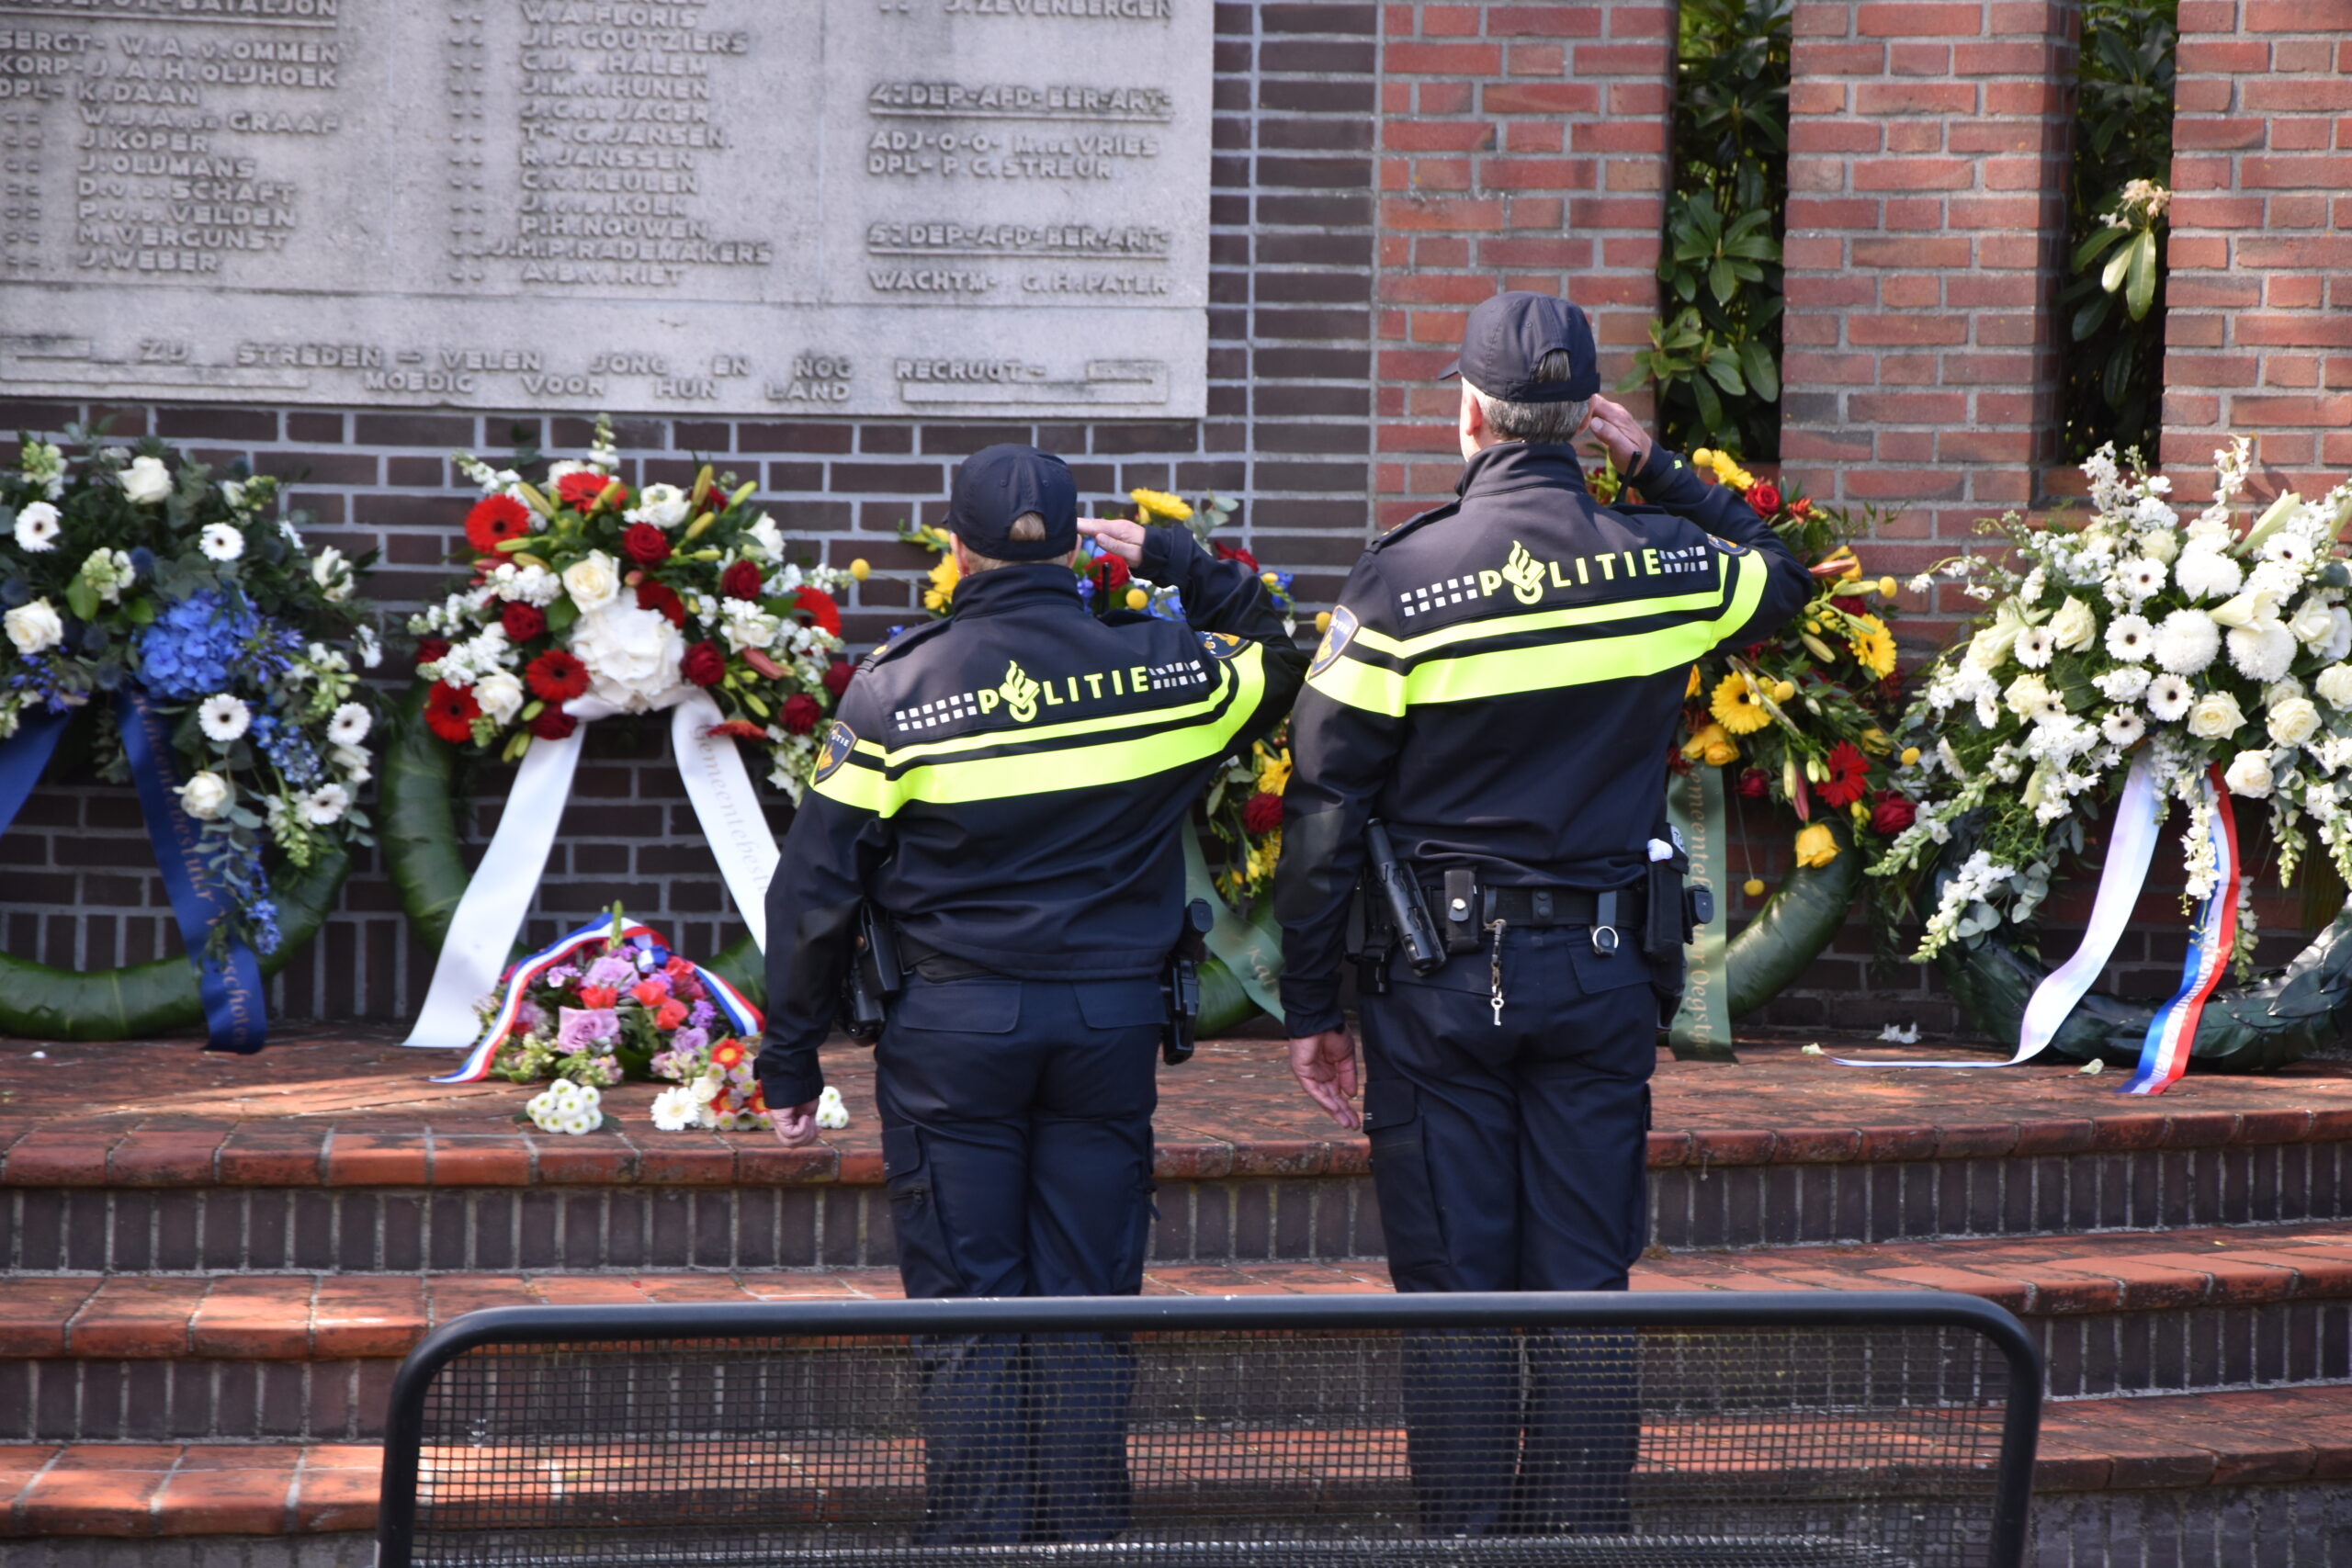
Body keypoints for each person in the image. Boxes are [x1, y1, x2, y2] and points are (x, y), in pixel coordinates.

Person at [1271, 291, 1812, 1535]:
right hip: (1605, 970)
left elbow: (1324, 811)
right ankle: (1574, 1543)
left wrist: (1310, 1007)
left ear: (1469, 414)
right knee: (1582, 1286)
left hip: (1437, 985)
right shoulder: (1667, 562)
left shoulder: (1401, 580)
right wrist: (1659, 469)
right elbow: (1782, 578)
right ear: (1584, 419)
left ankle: (1466, 1547)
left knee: (1455, 1292)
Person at [755, 443, 1306, 1544]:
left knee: (968, 1308)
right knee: (1088, 1303)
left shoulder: (897, 690)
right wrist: (1182, 561)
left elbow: (813, 889)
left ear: (957, 552)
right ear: (1075, 549)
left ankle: (977, 1543)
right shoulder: (1166, 670)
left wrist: (791, 1060)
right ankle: (1084, 1540)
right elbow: (1280, 658)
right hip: (1108, 1028)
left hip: (952, 1033)